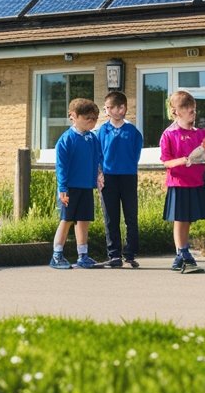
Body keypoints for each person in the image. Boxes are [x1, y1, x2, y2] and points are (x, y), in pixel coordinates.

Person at [160, 90, 205, 274]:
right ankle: (182, 252)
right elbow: (166, 161)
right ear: (175, 111)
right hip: (179, 183)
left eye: (193, 107)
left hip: (195, 182)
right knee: (180, 219)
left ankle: (180, 254)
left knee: (188, 219)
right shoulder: (169, 134)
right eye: (187, 107)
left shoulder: (200, 133)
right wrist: (184, 160)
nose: (192, 111)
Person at [50, 98, 103, 270]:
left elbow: (98, 158)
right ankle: (57, 255)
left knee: (83, 220)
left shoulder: (92, 138)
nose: (92, 122)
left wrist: (99, 174)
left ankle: (83, 255)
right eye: (88, 118)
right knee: (66, 219)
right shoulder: (66, 140)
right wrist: (62, 188)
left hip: (86, 186)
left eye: (95, 118)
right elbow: (61, 167)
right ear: (74, 116)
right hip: (70, 188)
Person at [97, 91, 142, 268]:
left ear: (122, 108)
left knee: (131, 216)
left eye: (113, 107)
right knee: (110, 217)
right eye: (107, 108)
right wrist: (99, 173)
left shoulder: (132, 132)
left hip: (128, 177)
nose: (110, 111)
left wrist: (127, 167)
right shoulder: (102, 131)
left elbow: (135, 154)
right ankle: (114, 255)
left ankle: (130, 254)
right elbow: (98, 154)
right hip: (108, 178)